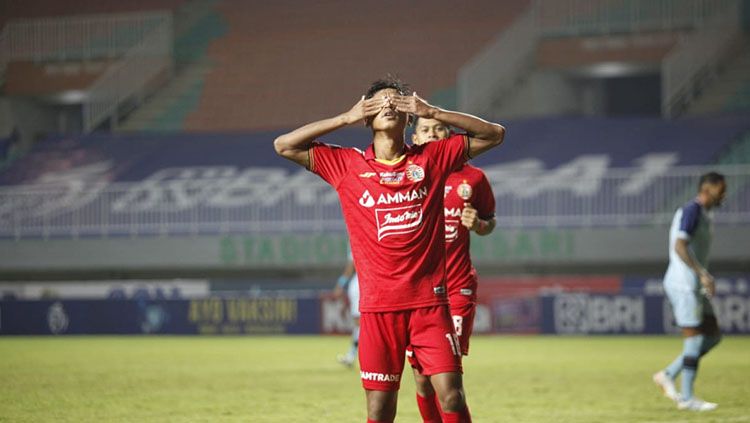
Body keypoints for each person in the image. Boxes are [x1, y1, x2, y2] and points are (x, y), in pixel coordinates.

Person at [273, 76, 505, 423]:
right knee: (380, 410)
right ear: (367, 117)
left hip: (430, 304)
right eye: (379, 102)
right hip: (379, 311)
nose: (388, 105)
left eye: (396, 101)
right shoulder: (346, 166)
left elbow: (494, 134)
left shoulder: (433, 158)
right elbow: (284, 145)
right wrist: (344, 118)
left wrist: (432, 110)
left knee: (452, 396)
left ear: (408, 117)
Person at [408, 117, 496, 422]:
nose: (433, 134)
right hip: (415, 294)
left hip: (456, 289)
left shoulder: (473, 179)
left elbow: (489, 222)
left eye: (439, 129)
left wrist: (480, 224)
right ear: (415, 138)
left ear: (451, 135)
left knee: (449, 385)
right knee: (422, 379)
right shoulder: (405, 174)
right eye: (425, 130)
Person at [652, 172, 726, 412]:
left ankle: (668, 374)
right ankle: (687, 397)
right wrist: (702, 273)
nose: (723, 194)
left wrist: (702, 276)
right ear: (708, 188)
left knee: (712, 335)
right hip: (684, 284)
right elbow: (680, 245)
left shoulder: (704, 214)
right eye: (721, 189)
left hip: (694, 284)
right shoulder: (692, 211)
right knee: (694, 339)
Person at [334, 243, 360, 367]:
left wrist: (341, 284)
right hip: (369, 281)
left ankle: (352, 355)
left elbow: (351, 266)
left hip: (362, 283)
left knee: (360, 323)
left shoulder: (357, 237)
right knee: (361, 324)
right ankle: (352, 355)